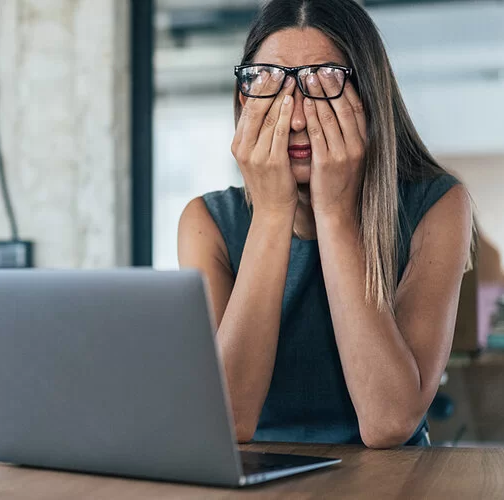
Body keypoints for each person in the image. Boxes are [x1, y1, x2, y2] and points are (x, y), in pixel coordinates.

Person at [177, 0, 474, 448]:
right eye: (271, 85)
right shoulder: (207, 223)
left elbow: (389, 421)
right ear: (245, 98)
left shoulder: (439, 206)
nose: (296, 118)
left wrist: (334, 212)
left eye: (324, 83)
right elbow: (225, 422)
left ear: (369, 98)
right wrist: (273, 214)